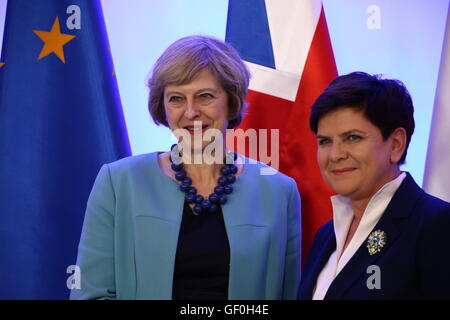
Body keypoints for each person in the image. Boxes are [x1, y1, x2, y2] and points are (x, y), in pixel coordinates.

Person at [70, 35, 301, 300]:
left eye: (205, 96)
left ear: (231, 102)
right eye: (176, 98)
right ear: (163, 108)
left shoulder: (279, 191)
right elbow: (91, 295)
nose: (191, 112)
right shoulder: (118, 182)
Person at [298, 72, 450, 300]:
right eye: (325, 141)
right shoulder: (325, 234)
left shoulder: (437, 225)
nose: (336, 154)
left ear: (396, 144)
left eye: (353, 138)